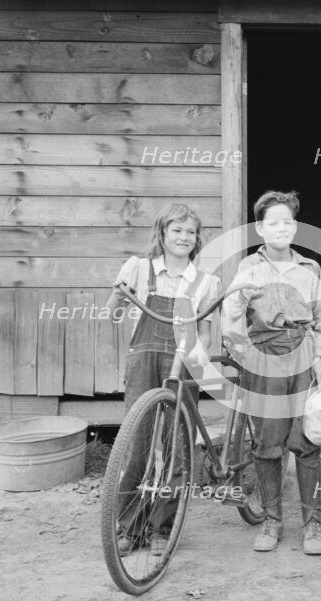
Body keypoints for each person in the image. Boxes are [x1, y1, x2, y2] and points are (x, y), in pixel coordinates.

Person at [222, 190, 321, 555]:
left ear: (296, 227)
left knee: (306, 441)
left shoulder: (309, 270)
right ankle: (272, 520)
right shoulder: (247, 269)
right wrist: (238, 350)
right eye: (273, 223)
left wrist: (320, 357)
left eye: (288, 222)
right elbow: (233, 315)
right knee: (268, 443)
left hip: (301, 356)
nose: (281, 228)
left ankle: (313, 525)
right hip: (263, 360)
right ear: (260, 228)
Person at [106, 203, 221, 556]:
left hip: (183, 364)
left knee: (176, 446)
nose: (184, 237)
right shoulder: (139, 269)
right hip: (143, 361)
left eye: (191, 232)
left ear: (197, 238)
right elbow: (113, 314)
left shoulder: (206, 281)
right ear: (162, 233)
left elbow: (205, 333)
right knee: (136, 443)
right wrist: (117, 293)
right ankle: (129, 526)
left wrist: (191, 357)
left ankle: (163, 528)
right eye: (177, 230)